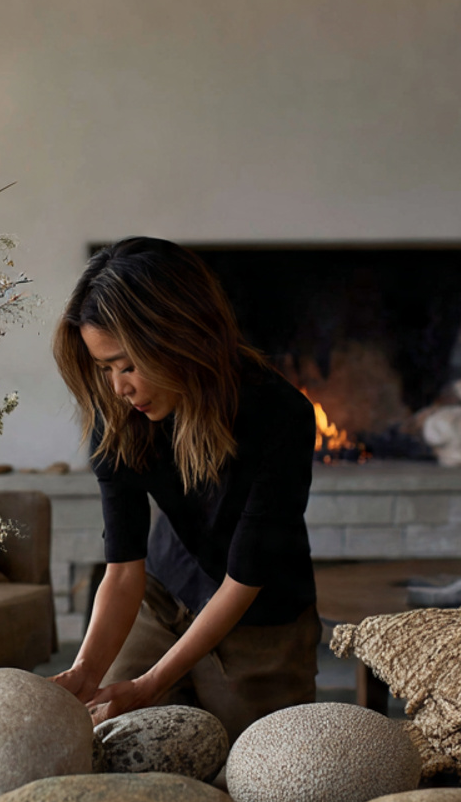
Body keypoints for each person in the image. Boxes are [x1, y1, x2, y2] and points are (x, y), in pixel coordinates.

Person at [50, 237, 320, 740]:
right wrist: (86, 671)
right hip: (162, 589)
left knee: (259, 772)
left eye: (127, 365)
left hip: (261, 614)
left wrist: (151, 683)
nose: (117, 388)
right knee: (108, 740)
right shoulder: (117, 418)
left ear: (180, 337)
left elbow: (244, 578)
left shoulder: (281, 415)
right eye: (105, 368)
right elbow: (123, 568)